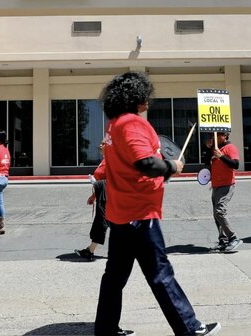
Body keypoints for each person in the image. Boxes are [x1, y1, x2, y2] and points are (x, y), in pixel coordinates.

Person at [94, 72, 221, 336]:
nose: (148, 101)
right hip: (139, 214)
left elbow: (129, 164)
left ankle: (105, 330)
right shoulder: (132, 124)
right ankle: (189, 328)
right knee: (161, 274)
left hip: (121, 214)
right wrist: (172, 166)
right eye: (145, 96)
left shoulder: (114, 125)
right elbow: (145, 164)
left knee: (114, 277)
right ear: (135, 97)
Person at [207, 132, 241, 253]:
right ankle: (223, 241)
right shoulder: (216, 149)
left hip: (226, 185)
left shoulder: (230, 148)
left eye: (216, 135)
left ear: (224, 136)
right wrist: (210, 148)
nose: (214, 137)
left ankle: (233, 238)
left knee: (220, 211)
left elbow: (236, 164)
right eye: (212, 136)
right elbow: (211, 165)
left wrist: (221, 156)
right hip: (216, 185)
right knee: (216, 215)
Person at [76, 142, 109, 261]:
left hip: (109, 197)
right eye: (99, 143)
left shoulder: (112, 161)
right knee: (103, 222)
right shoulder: (104, 160)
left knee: (102, 222)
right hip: (102, 195)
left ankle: (90, 251)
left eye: (103, 143)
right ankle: (90, 250)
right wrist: (93, 196)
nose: (100, 145)